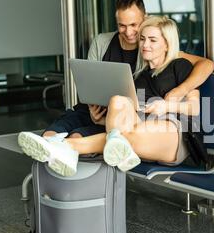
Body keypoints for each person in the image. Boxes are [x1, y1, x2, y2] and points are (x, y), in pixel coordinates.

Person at [18, 16, 203, 177]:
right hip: (138, 129)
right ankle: (107, 149)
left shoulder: (180, 65)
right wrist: (101, 120)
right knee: (117, 101)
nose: (145, 45)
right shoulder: (139, 74)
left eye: (153, 40)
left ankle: (64, 146)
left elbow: (195, 107)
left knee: (127, 136)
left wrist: (166, 106)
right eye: (143, 39)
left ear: (167, 44)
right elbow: (121, 120)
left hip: (173, 133)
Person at [44, 0, 214, 139]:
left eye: (134, 25)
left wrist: (180, 91)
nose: (129, 32)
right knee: (50, 134)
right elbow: (90, 84)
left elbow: (207, 64)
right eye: (122, 26)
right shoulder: (102, 42)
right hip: (95, 110)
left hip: (125, 117)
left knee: (76, 137)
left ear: (145, 19)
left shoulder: (152, 49)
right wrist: (91, 109)